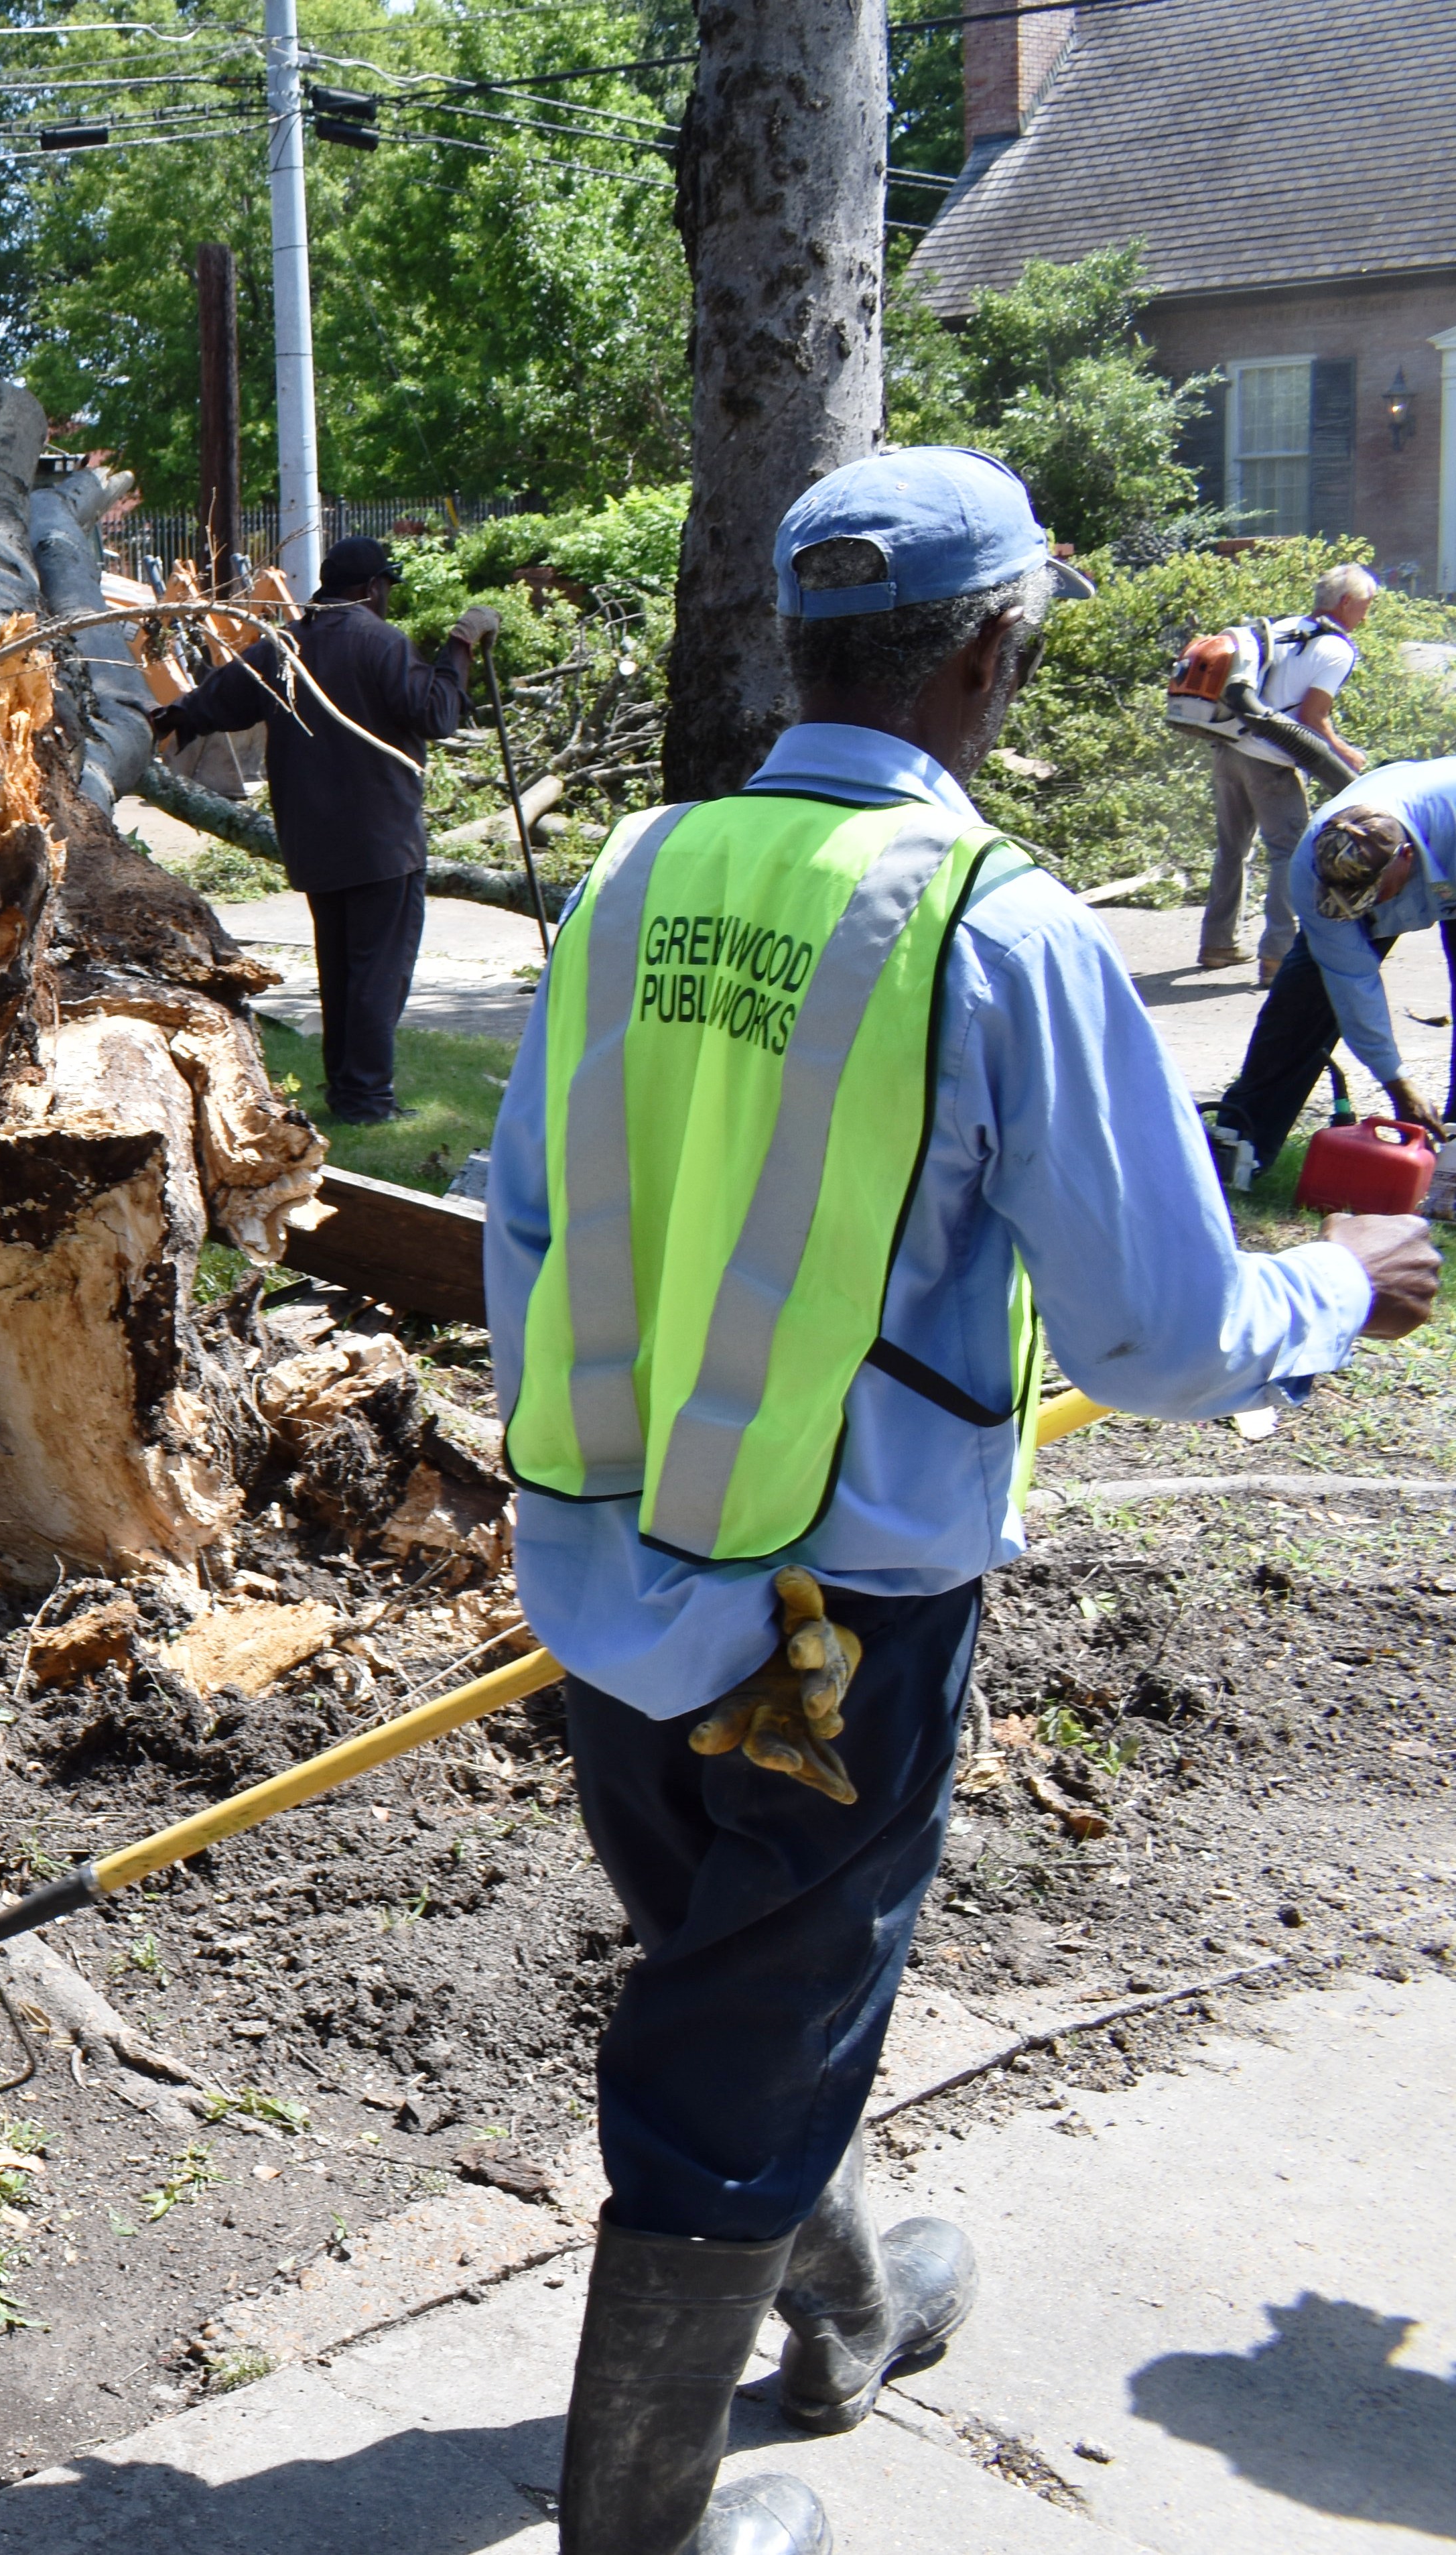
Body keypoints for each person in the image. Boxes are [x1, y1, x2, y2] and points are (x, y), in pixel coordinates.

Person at [484, 448, 1437, 2555]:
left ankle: (843, 2305)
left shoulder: (637, 871)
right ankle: (638, 2527)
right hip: (830, 1623)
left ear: (801, 644)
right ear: (996, 653)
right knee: (740, 2036)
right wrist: (1338, 1286)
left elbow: (525, 1216)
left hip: (608, 1565)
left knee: (745, 1972)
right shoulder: (992, 924)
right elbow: (1158, 1331)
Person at [145, 535, 500, 1121]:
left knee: (340, 971)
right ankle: (366, 1098)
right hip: (381, 841)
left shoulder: (286, 645)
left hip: (314, 840)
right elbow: (437, 713)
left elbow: (218, 701)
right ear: (372, 588)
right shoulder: (382, 643)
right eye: (386, 587)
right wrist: (460, 645)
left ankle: (348, 1089)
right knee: (377, 974)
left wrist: (163, 719)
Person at [1207, 757, 1456, 1180]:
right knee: (1302, 1007)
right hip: (1410, 856)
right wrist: (1396, 1080)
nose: (1356, 911)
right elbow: (1352, 982)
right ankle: (1239, 1151)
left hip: (1447, 847)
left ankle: (1452, 1165)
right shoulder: (1313, 868)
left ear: (1406, 858)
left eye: (1368, 899)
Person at [1199, 561, 1376, 979]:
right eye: (1366, 605)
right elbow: (1313, 719)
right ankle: (1278, 956)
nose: (1367, 616)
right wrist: (1347, 755)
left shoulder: (1280, 628)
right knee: (1289, 855)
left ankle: (1218, 944)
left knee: (1231, 849)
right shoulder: (1337, 649)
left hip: (1230, 750)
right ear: (1345, 602)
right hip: (1272, 763)